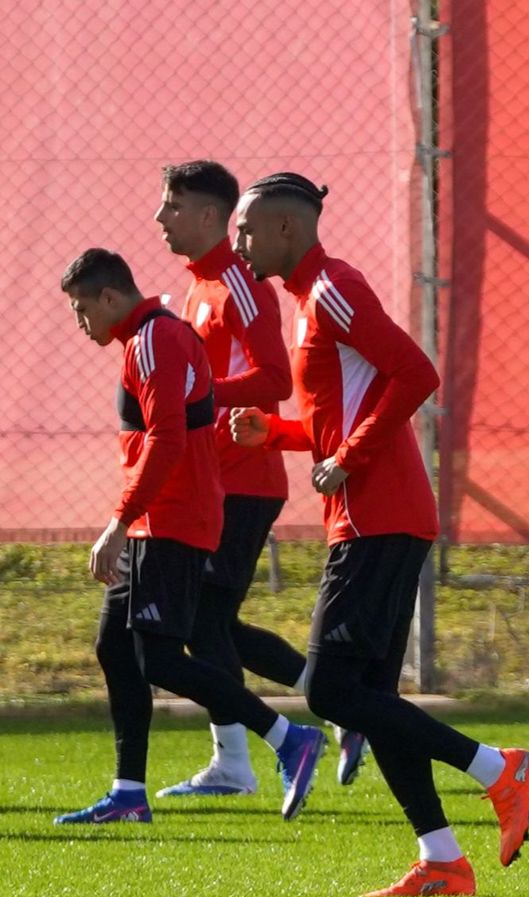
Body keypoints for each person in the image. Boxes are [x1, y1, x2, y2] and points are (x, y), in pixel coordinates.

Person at [229, 173, 529, 897]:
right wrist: (277, 432)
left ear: (285, 228)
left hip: (379, 516)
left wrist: (348, 456)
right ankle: (442, 861)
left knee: (329, 690)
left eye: (246, 229)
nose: (238, 244)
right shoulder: (307, 300)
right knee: (372, 697)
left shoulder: (331, 288)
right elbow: (341, 418)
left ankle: (500, 769)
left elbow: (416, 373)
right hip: (372, 515)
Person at [54, 249, 325, 827]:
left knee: (159, 657)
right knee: (115, 647)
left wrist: (119, 521)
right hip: (156, 520)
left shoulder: (154, 339)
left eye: (81, 308)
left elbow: (167, 439)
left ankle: (287, 737)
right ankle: (129, 793)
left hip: (172, 520)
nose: (80, 322)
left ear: (109, 298)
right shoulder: (147, 338)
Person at [150, 159, 368, 796]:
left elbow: (275, 380)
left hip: (243, 481)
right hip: (213, 480)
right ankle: (339, 710)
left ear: (210, 215)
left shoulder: (240, 284)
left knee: (202, 623)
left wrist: (198, 391)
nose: (161, 217)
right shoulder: (196, 288)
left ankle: (240, 763)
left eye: (173, 205)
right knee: (213, 625)